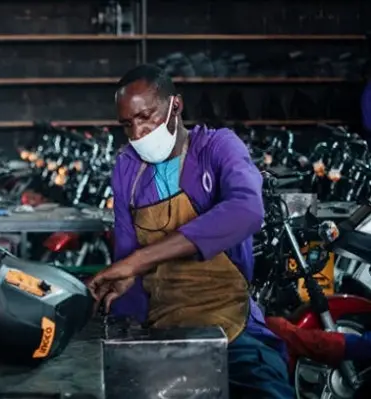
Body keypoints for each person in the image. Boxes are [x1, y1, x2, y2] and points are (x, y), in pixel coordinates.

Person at [89, 64, 293, 398]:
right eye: (128, 124)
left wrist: (141, 260)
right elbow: (126, 258)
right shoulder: (127, 168)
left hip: (228, 325)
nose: (138, 133)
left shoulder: (217, 148)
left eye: (147, 117)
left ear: (175, 106)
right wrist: (123, 333)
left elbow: (247, 210)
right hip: (162, 329)